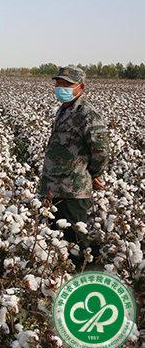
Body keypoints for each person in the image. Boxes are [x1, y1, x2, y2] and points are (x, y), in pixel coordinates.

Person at [40, 65, 109, 263]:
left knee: (74, 241)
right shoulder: (62, 110)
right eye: (58, 83)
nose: (60, 87)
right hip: (53, 186)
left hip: (73, 189)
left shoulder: (87, 114)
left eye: (67, 84)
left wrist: (93, 174)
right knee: (56, 239)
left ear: (81, 87)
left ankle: (83, 277)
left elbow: (101, 150)